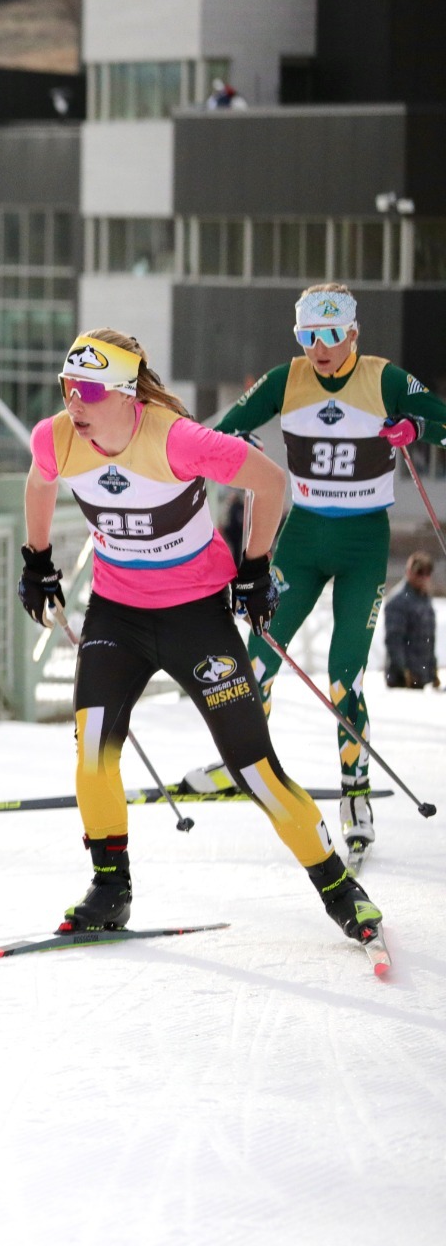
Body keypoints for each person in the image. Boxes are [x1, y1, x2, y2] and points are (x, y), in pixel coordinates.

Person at [18, 329, 382, 947]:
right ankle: (110, 889)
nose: (72, 404)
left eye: (86, 391)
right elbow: (39, 481)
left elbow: (269, 483)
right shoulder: (55, 438)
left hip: (196, 617)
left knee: (254, 769)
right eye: (65, 388)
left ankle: (339, 890)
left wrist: (257, 566)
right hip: (117, 615)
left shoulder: (175, 438)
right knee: (92, 751)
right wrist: (37, 559)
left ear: (126, 393)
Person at [212, 284, 446, 861]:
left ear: (353, 333)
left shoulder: (384, 378)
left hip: (364, 542)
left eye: (330, 334)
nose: (319, 348)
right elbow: (222, 430)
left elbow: (442, 421)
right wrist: (235, 443)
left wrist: (414, 428)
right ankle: (246, 768)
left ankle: (355, 794)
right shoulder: (286, 379)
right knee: (256, 659)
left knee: (346, 677)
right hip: (302, 538)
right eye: (307, 335)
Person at [382, 552, 437, 689]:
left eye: (427, 572)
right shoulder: (398, 600)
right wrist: (404, 671)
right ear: (409, 572)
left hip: (420, 679)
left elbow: (429, 639)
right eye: (419, 572)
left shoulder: (424, 599)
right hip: (402, 681)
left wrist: (432, 670)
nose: (423, 577)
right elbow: (394, 640)